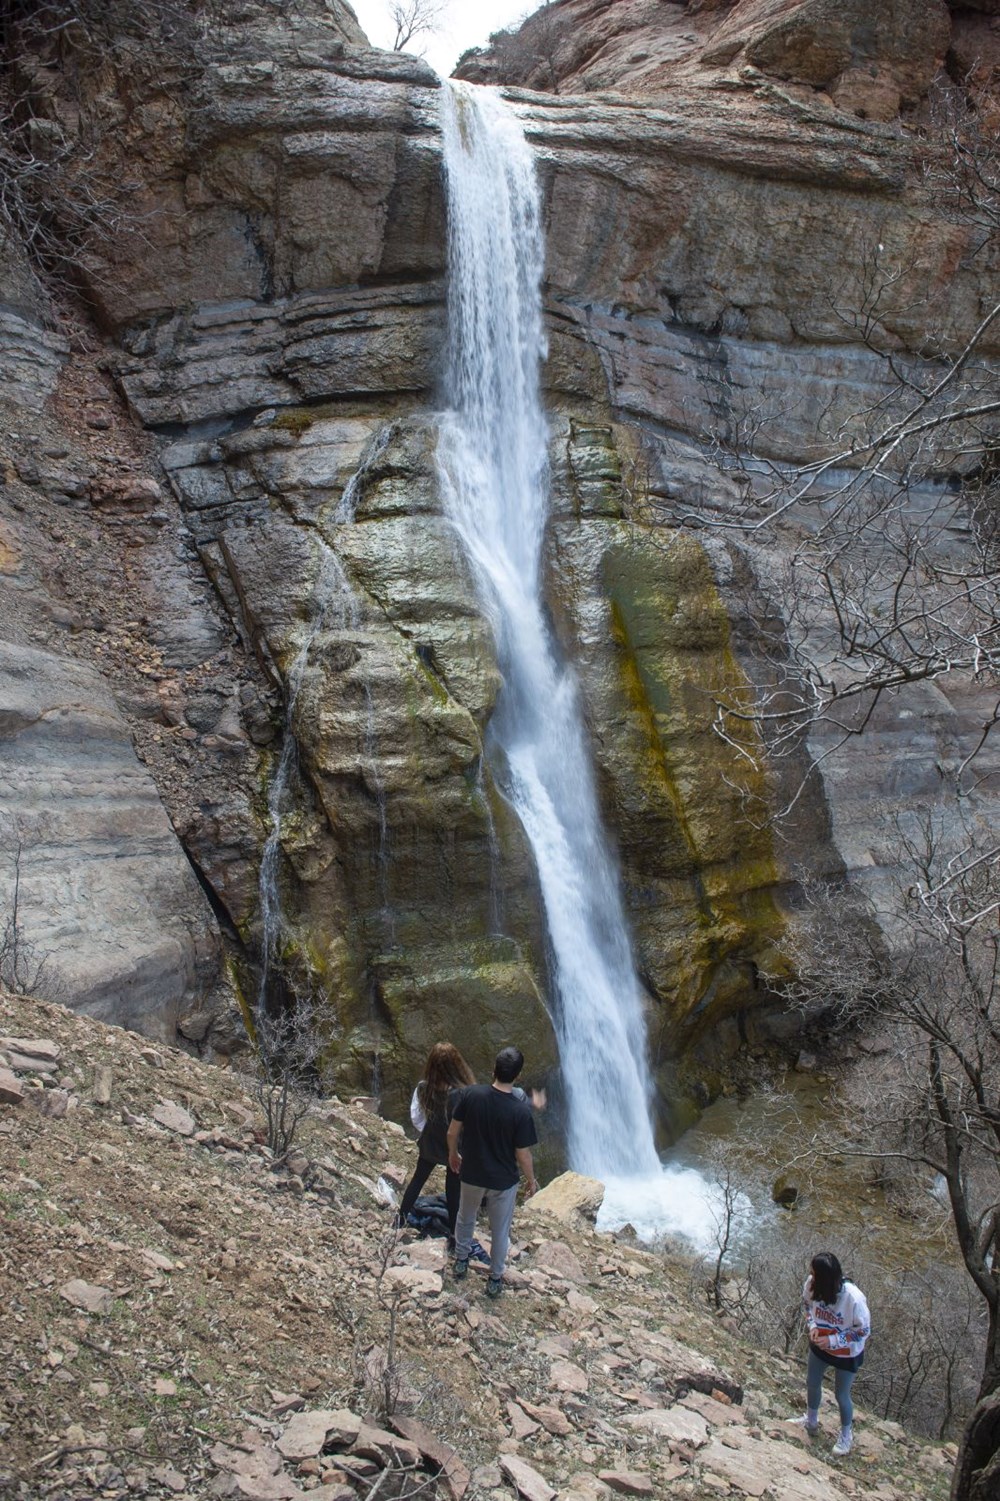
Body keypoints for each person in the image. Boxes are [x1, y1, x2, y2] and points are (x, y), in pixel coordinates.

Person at [447, 1045, 538, 1298]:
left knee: (466, 1217)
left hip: (472, 1171)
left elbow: (452, 1131)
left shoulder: (470, 1095)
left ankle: (461, 1260)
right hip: (503, 1180)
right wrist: (531, 1181)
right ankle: (495, 1277)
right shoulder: (520, 1111)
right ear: (517, 1076)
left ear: (493, 1070)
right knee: (500, 1230)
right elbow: (523, 1154)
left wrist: (453, 1154)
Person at [793, 1251, 871, 1456]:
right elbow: (807, 1307)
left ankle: (846, 1435)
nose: (810, 1275)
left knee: (841, 1394)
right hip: (820, 1345)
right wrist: (812, 1327)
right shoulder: (811, 1285)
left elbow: (863, 1331)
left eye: (814, 1273)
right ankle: (811, 1421)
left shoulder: (853, 1299)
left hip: (847, 1353)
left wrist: (834, 1340)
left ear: (825, 1279)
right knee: (812, 1382)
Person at [395, 1043, 475, 1238]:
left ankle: (400, 1219)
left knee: (418, 1179)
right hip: (455, 1146)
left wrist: (428, 1131)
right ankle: (455, 1234)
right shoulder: (462, 1093)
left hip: (430, 1142)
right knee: (453, 1188)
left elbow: (416, 1117)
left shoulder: (424, 1088)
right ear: (457, 1064)